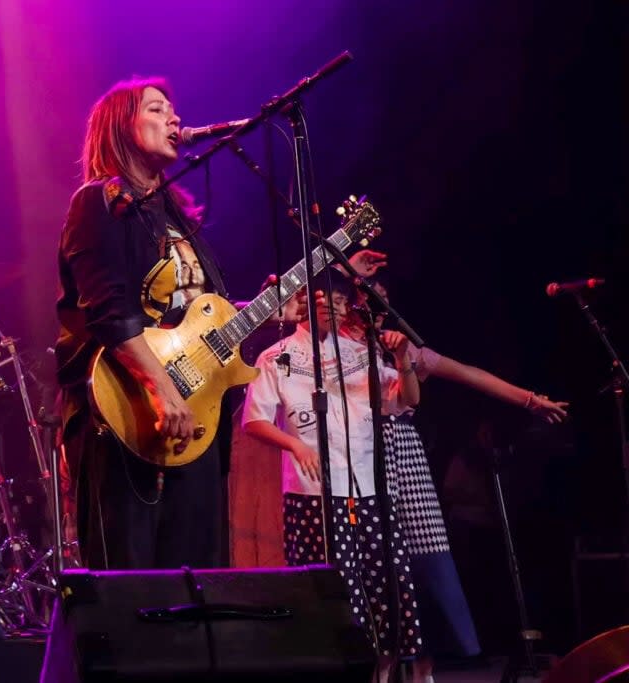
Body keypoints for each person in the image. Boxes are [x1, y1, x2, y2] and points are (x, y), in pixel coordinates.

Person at [345, 278, 568, 681]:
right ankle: (379, 666)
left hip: (403, 459)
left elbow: (470, 374)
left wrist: (531, 400)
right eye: (364, 299)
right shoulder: (333, 348)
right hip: (355, 457)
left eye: (381, 300)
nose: (374, 308)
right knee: (376, 571)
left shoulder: (404, 349)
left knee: (423, 565)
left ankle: (424, 670)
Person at [55, 77, 230, 569]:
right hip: (127, 408)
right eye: (157, 110)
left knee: (195, 569)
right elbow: (109, 312)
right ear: (120, 127)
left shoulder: (174, 215)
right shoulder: (98, 203)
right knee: (131, 576)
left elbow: (195, 315)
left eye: (174, 110)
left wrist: (272, 307)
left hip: (192, 407)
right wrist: (161, 390)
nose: (175, 119)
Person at [241, 269, 424, 680]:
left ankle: (382, 673)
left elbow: (407, 400)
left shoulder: (361, 354)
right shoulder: (278, 356)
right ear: (307, 303)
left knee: (385, 589)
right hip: (313, 495)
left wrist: (403, 360)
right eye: (327, 300)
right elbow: (254, 420)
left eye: (342, 302)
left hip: (370, 489)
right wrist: (295, 444)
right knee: (330, 595)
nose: (335, 308)